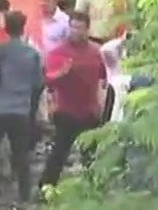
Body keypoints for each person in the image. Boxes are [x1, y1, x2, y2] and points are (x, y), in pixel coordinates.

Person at [0, 10, 44, 202]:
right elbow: (38, 84)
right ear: (23, 28)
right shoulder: (32, 54)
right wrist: (32, 109)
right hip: (21, 109)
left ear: (5, 27)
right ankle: (24, 194)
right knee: (21, 155)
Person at [38, 11, 108, 190]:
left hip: (89, 110)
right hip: (66, 110)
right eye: (73, 27)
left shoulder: (95, 52)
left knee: (91, 154)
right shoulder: (58, 52)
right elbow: (48, 79)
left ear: (87, 29)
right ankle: (45, 188)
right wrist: (62, 73)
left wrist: (100, 102)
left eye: (80, 27)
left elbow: (103, 78)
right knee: (59, 152)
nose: (76, 31)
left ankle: (95, 188)